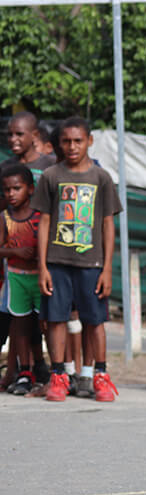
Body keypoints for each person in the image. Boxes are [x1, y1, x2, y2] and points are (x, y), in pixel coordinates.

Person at [32, 117, 123, 402]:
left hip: (92, 264)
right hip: (57, 262)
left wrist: (107, 267)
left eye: (78, 141)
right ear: (59, 144)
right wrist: (43, 266)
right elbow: (44, 222)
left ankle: (100, 375)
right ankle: (59, 376)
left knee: (95, 321)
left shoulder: (101, 178)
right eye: (66, 141)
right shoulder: (51, 176)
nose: (72, 147)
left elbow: (108, 224)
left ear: (89, 141)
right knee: (57, 319)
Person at [0, 165, 43, 395]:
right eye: (7, 190)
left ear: (30, 189)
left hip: (40, 278)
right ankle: (25, 371)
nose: (11, 194)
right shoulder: (5, 218)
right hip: (16, 278)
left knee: (46, 323)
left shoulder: (39, 217)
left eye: (17, 188)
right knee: (20, 326)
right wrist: (15, 252)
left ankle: (55, 371)